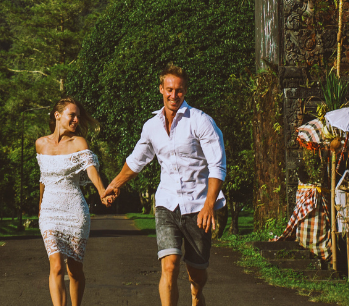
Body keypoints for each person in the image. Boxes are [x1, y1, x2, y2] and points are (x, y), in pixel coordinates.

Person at [103, 64, 225, 306]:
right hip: (167, 203)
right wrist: (114, 184)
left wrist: (209, 205)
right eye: (169, 89)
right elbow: (137, 159)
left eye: (179, 90)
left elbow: (217, 166)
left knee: (196, 273)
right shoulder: (152, 127)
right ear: (161, 89)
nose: (174, 95)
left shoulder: (201, 122)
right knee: (169, 265)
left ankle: (196, 294)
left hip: (198, 206)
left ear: (185, 91)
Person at [36, 97, 115, 306]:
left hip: (74, 211)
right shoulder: (40, 144)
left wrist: (102, 192)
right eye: (72, 115)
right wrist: (40, 207)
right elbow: (43, 178)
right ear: (57, 115)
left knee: (74, 269)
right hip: (49, 212)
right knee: (56, 266)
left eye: (78, 116)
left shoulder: (79, 143)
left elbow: (91, 169)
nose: (76, 120)